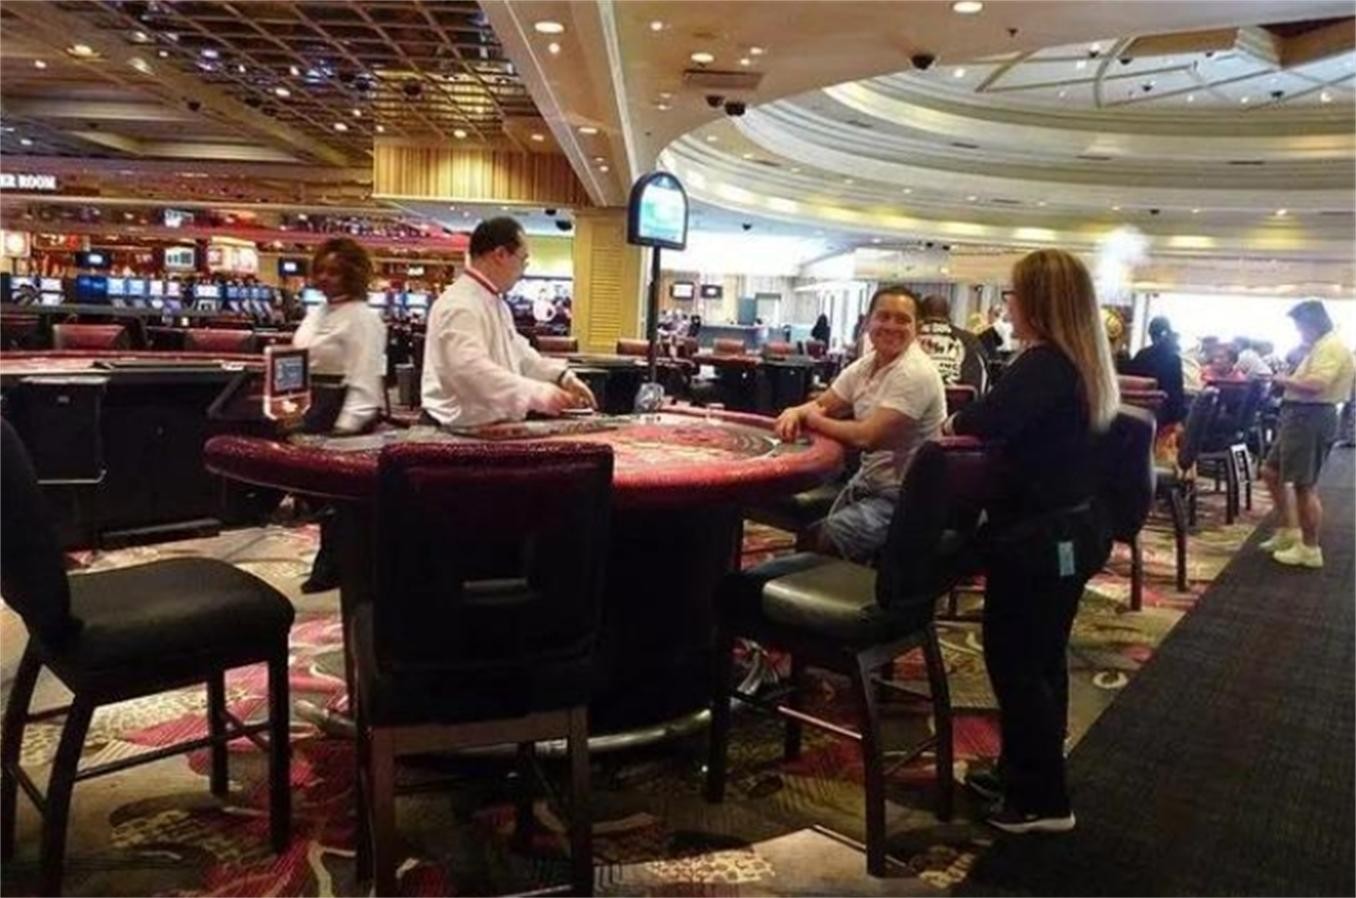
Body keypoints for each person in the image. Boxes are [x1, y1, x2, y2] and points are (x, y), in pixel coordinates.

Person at [942, 248, 1119, 834]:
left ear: (1039, 302)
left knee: (1018, 663)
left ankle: (1042, 802)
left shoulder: (1045, 363)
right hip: (1069, 529)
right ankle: (1027, 772)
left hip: (1043, 537)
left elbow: (982, 420)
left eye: (1012, 294)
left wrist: (953, 423)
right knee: (1041, 659)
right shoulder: (1078, 360)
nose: (1007, 305)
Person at [774, 285, 945, 563]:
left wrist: (813, 419)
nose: (891, 326)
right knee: (815, 540)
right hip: (866, 481)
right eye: (883, 316)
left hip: (906, 496)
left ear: (918, 328)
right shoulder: (866, 365)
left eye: (903, 319)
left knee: (821, 540)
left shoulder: (915, 372)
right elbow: (824, 404)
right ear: (867, 322)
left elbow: (867, 437)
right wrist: (795, 411)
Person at [421, 217, 595, 426]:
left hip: (483, 424)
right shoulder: (460, 303)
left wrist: (562, 377)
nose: (524, 269)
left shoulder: (495, 302)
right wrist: (538, 393)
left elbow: (520, 355)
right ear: (501, 255)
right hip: (451, 430)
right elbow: (470, 372)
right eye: (523, 259)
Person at [292, 237, 388, 592]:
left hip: (344, 409)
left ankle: (337, 568)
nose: (325, 277)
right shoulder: (317, 312)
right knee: (320, 492)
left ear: (352, 273)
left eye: (334, 271)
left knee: (341, 499)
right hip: (314, 405)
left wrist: (348, 426)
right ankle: (336, 562)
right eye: (320, 270)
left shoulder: (364, 318)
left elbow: (365, 376)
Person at [1257, 300, 1355, 568]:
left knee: (1304, 484)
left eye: (1300, 326)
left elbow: (1316, 384)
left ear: (1312, 323)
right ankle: (1289, 530)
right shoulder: (1321, 345)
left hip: (1311, 416)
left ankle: (1310, 548)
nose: (1299, 331)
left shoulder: (1331, 347)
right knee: (1271, 471)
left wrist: (1282, 380)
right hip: (1299, 415)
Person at [916, 293, 986, 391]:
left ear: (919, 315)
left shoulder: (909, 338)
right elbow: (984, 376)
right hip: (959, 399)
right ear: (948, 314)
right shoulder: (969, 339)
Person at [1126, 316, 1187, 426]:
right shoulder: (1173, 358)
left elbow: (1128, 380)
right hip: (1163, 415)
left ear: (1151, 334)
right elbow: (1176, 396)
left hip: (1135, 411)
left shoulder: (1142, 355)